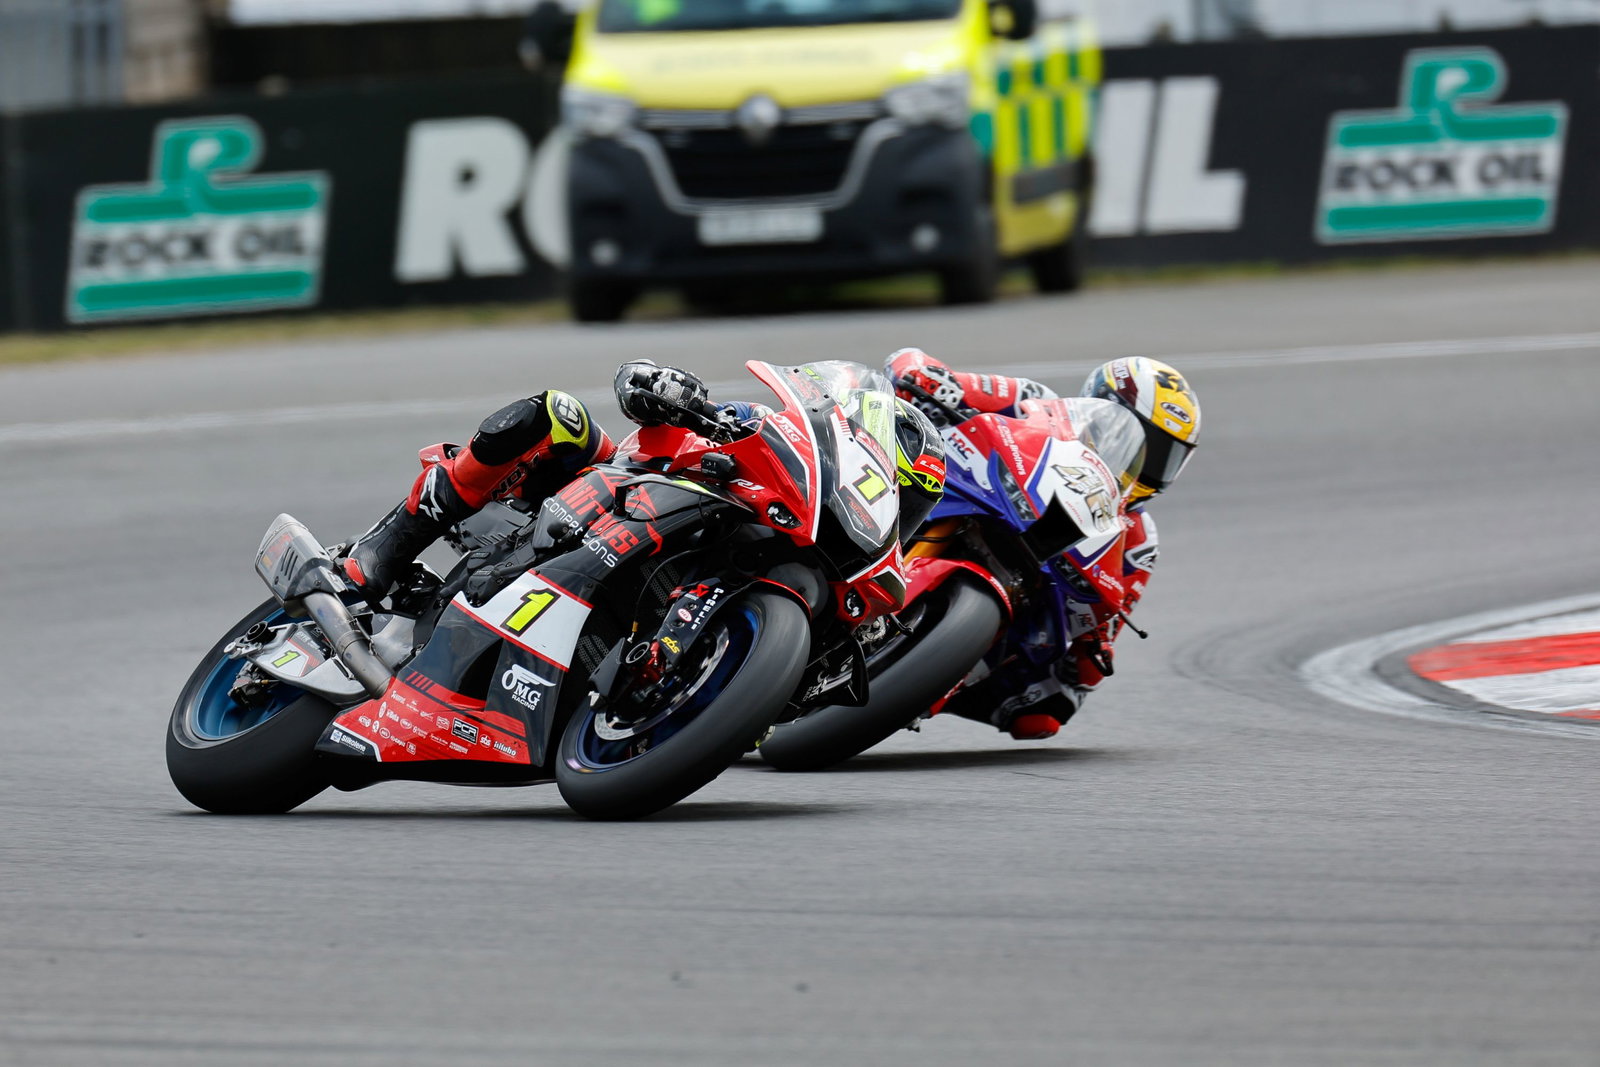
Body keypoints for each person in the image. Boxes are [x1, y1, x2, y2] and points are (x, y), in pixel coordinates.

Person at [340, 360, 945, 600]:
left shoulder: (854, 594)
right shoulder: (767, 436)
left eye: (907, 504)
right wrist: (665, 390)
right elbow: (640, 388)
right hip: (612, 490)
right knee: (556, 414)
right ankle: (386, 548)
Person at [883, 348, 1201, 740]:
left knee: (1044, 715)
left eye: (1165, 457)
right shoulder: (1032, 400)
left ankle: (924, 678)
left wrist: (1097, 643)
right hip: (956, 489)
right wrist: (928, 380)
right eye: (1144, 442)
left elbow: (1109, 620)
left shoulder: (1137, 537)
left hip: (1033, 584)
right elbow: (916, 365)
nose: (1147, 465)